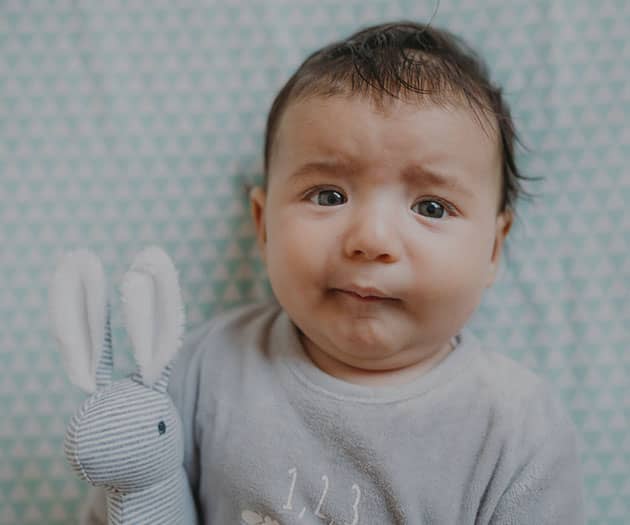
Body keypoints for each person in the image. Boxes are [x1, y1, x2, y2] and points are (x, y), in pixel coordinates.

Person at [83, 21, 586, 524]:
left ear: (494, 248)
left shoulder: (517, 428)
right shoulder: (203, 372)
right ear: (264, 226)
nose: (371, 239)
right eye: (328, 196)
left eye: (431, 207)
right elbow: (133, 502)